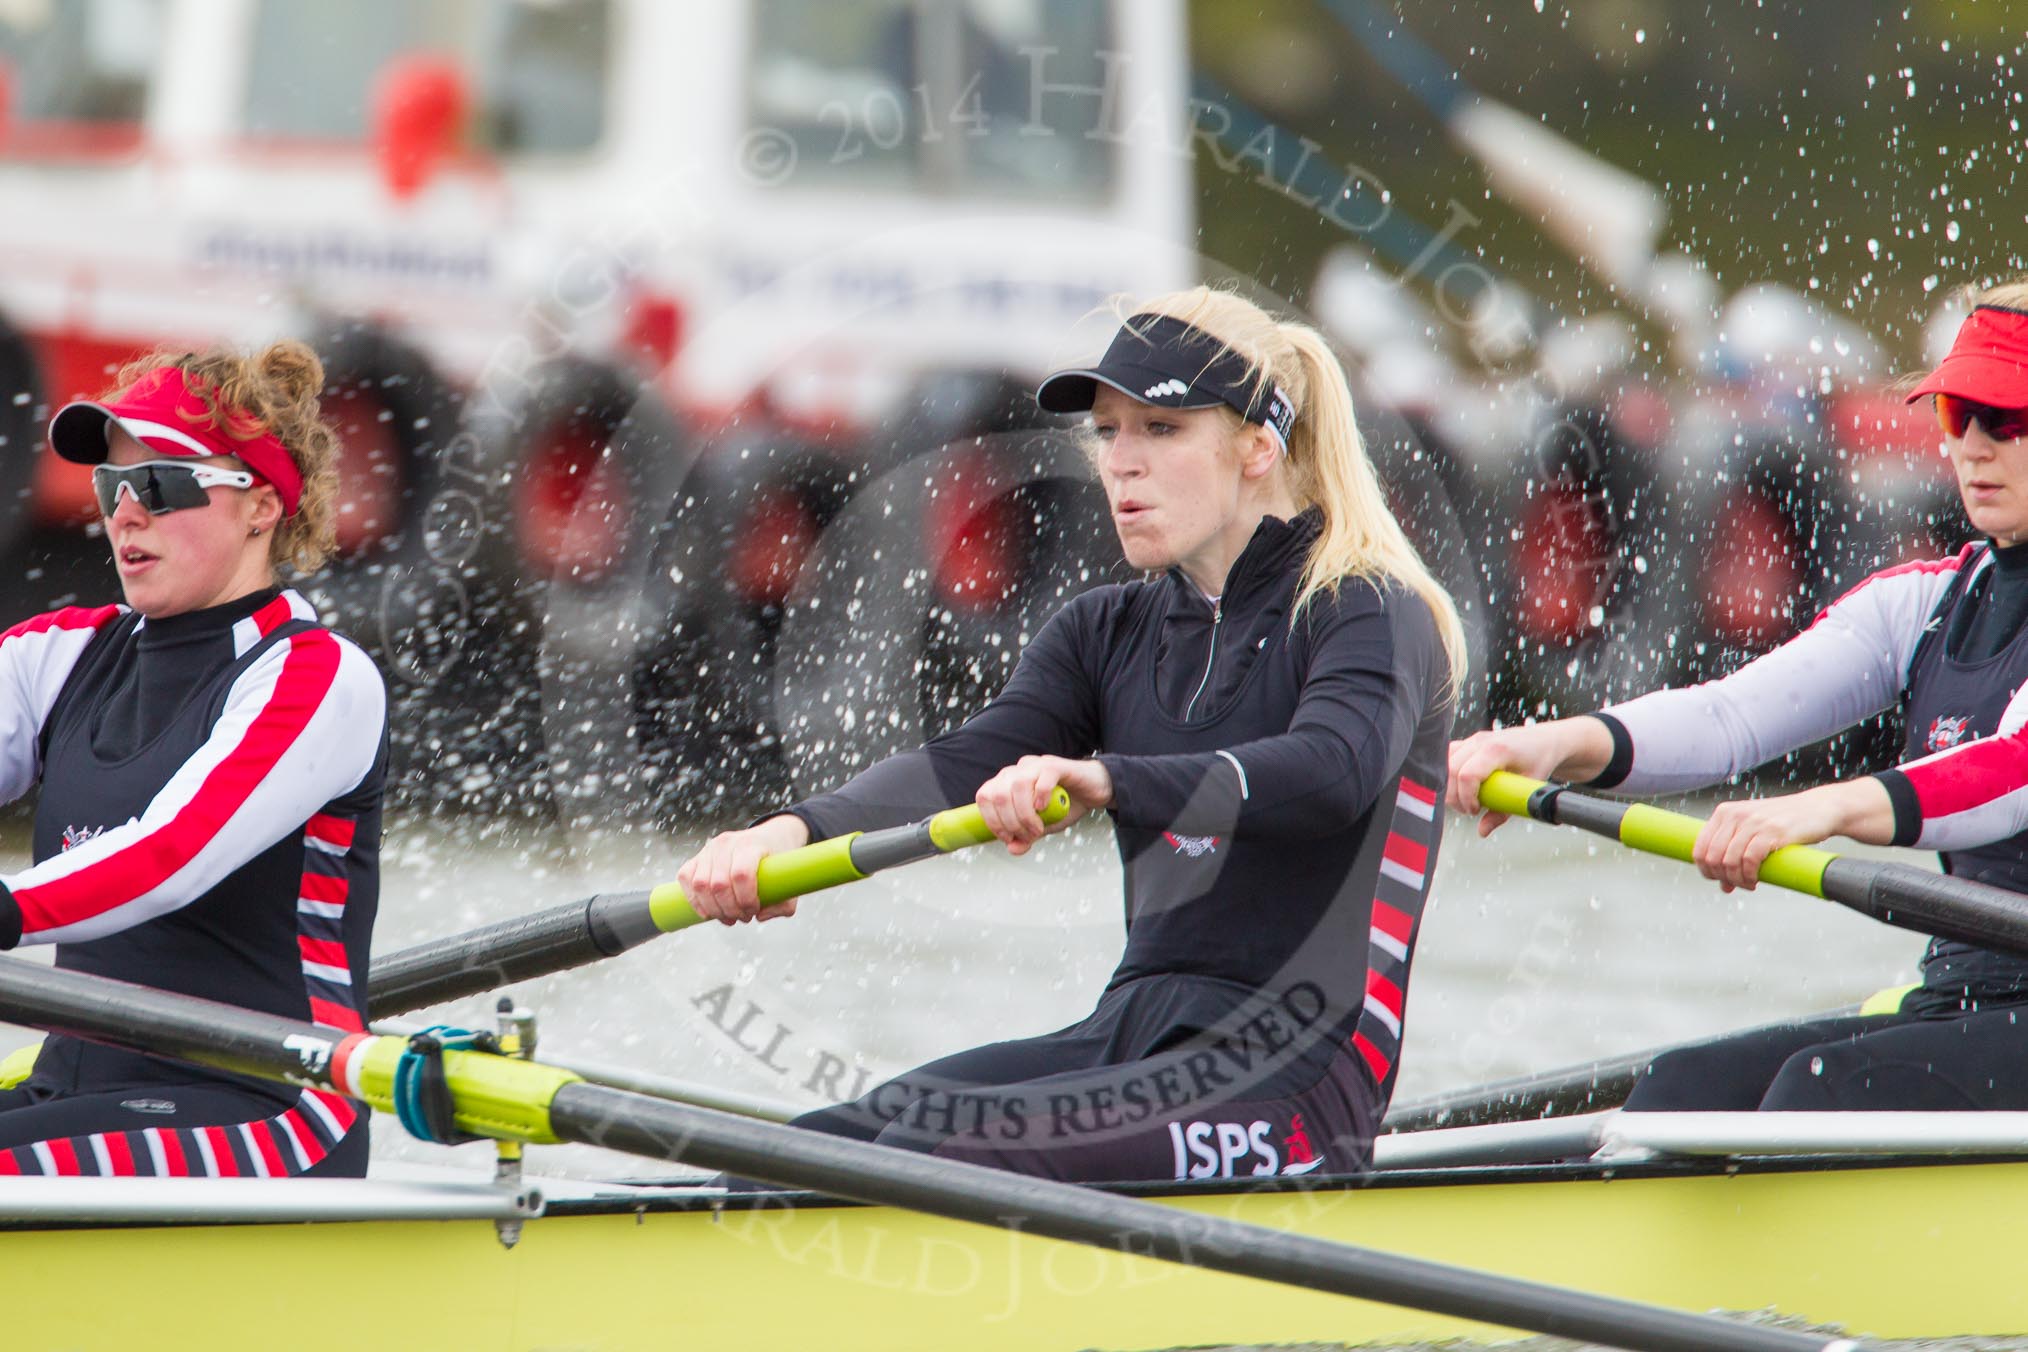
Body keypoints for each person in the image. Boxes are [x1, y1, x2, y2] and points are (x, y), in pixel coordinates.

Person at [679, 288, 1465, 1182]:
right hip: (1128, 1035)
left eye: (1160, 430)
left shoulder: (1370, 610)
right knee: (813, 1150)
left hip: (1301, 1086)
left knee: (952, 1153)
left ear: (1258, 446)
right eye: (1108, 433)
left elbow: (1333, 772)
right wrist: (788, 834)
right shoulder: (1106, 631)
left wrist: (1109, 781)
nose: (1121, 464)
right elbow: (962, 764)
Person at [1449, 279, 2028, 1112]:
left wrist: (1815, 811)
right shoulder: (1923, 602)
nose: (1971, 446)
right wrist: (1554, 744)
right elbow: (1730, 716)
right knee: (1682, 1089)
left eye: (2004, 419)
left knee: (1813, 1097)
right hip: (1962, 994)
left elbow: (2008, 777)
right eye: (1955, 414)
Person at [0, 344, 389, 1176]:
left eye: (162, 485)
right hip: (76, 1087)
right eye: (112, 487)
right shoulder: (59, 656)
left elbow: (164, 856)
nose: (125, 515)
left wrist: (5, 910)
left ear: (261, 505)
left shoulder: (317, 676)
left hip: (268, 1109)